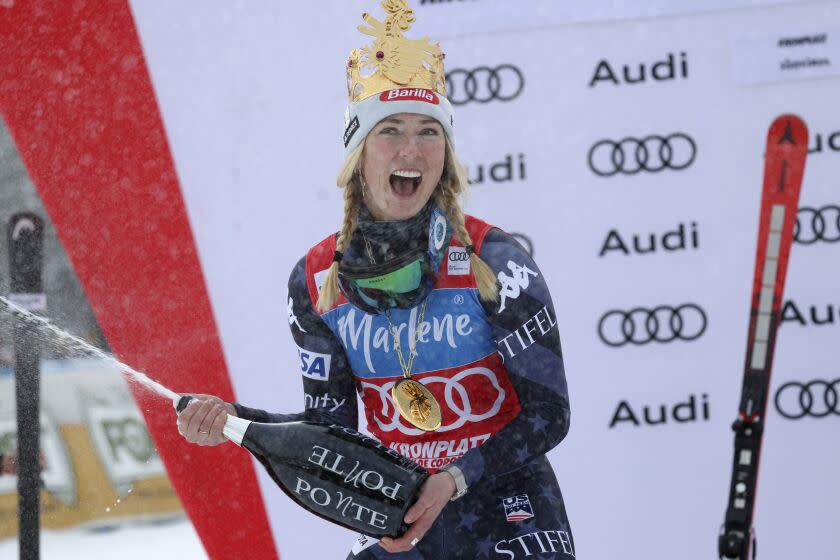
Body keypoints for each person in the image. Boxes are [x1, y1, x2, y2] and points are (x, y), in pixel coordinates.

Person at [177, 1, 574, 558]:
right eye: (389, 130)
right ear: (359, 154)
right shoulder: (318, 279)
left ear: (447, 153)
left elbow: (549, 414)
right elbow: (328, 431)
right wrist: (234, 422)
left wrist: (455, 477)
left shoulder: (495, 260)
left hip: (507, 509)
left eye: (428, 131)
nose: (411, 150)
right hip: (399, 514)